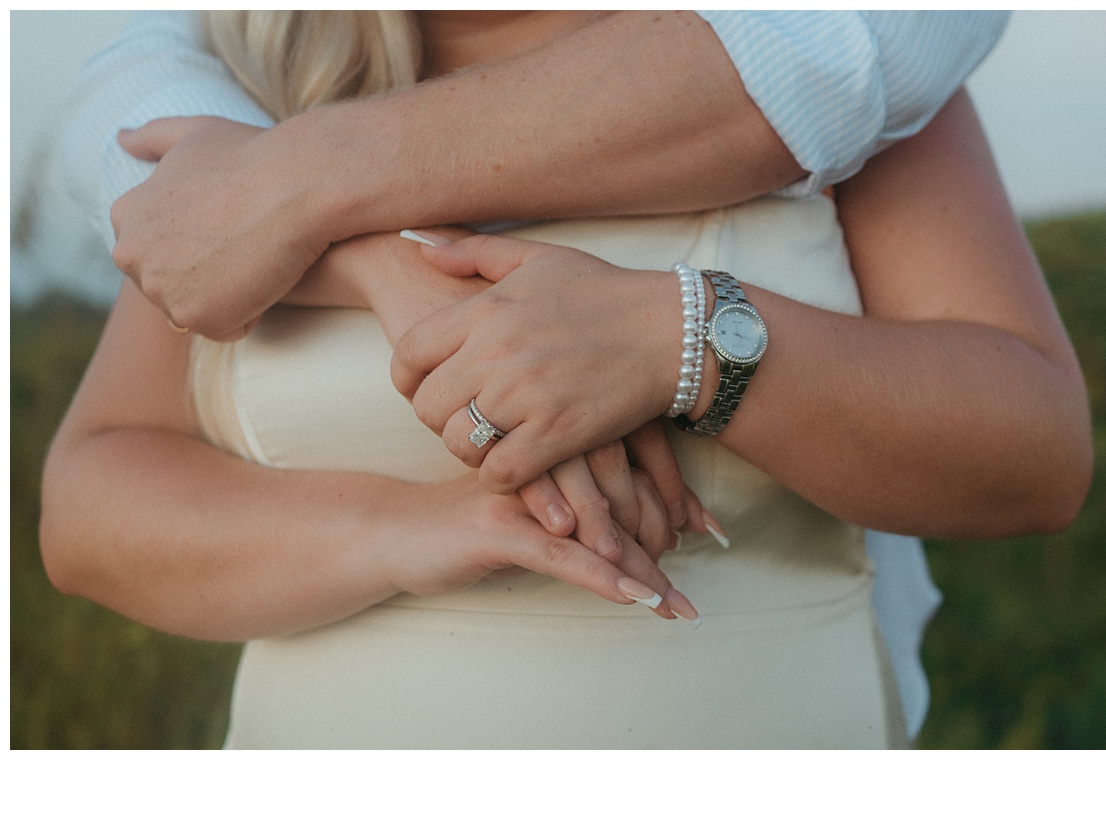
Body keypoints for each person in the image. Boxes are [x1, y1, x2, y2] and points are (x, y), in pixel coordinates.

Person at [55, 9, 1011, 742]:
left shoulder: (804, 41)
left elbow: (1027, 445)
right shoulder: (262, 97)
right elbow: (90, 506)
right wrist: (420, 531)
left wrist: (682, 338)